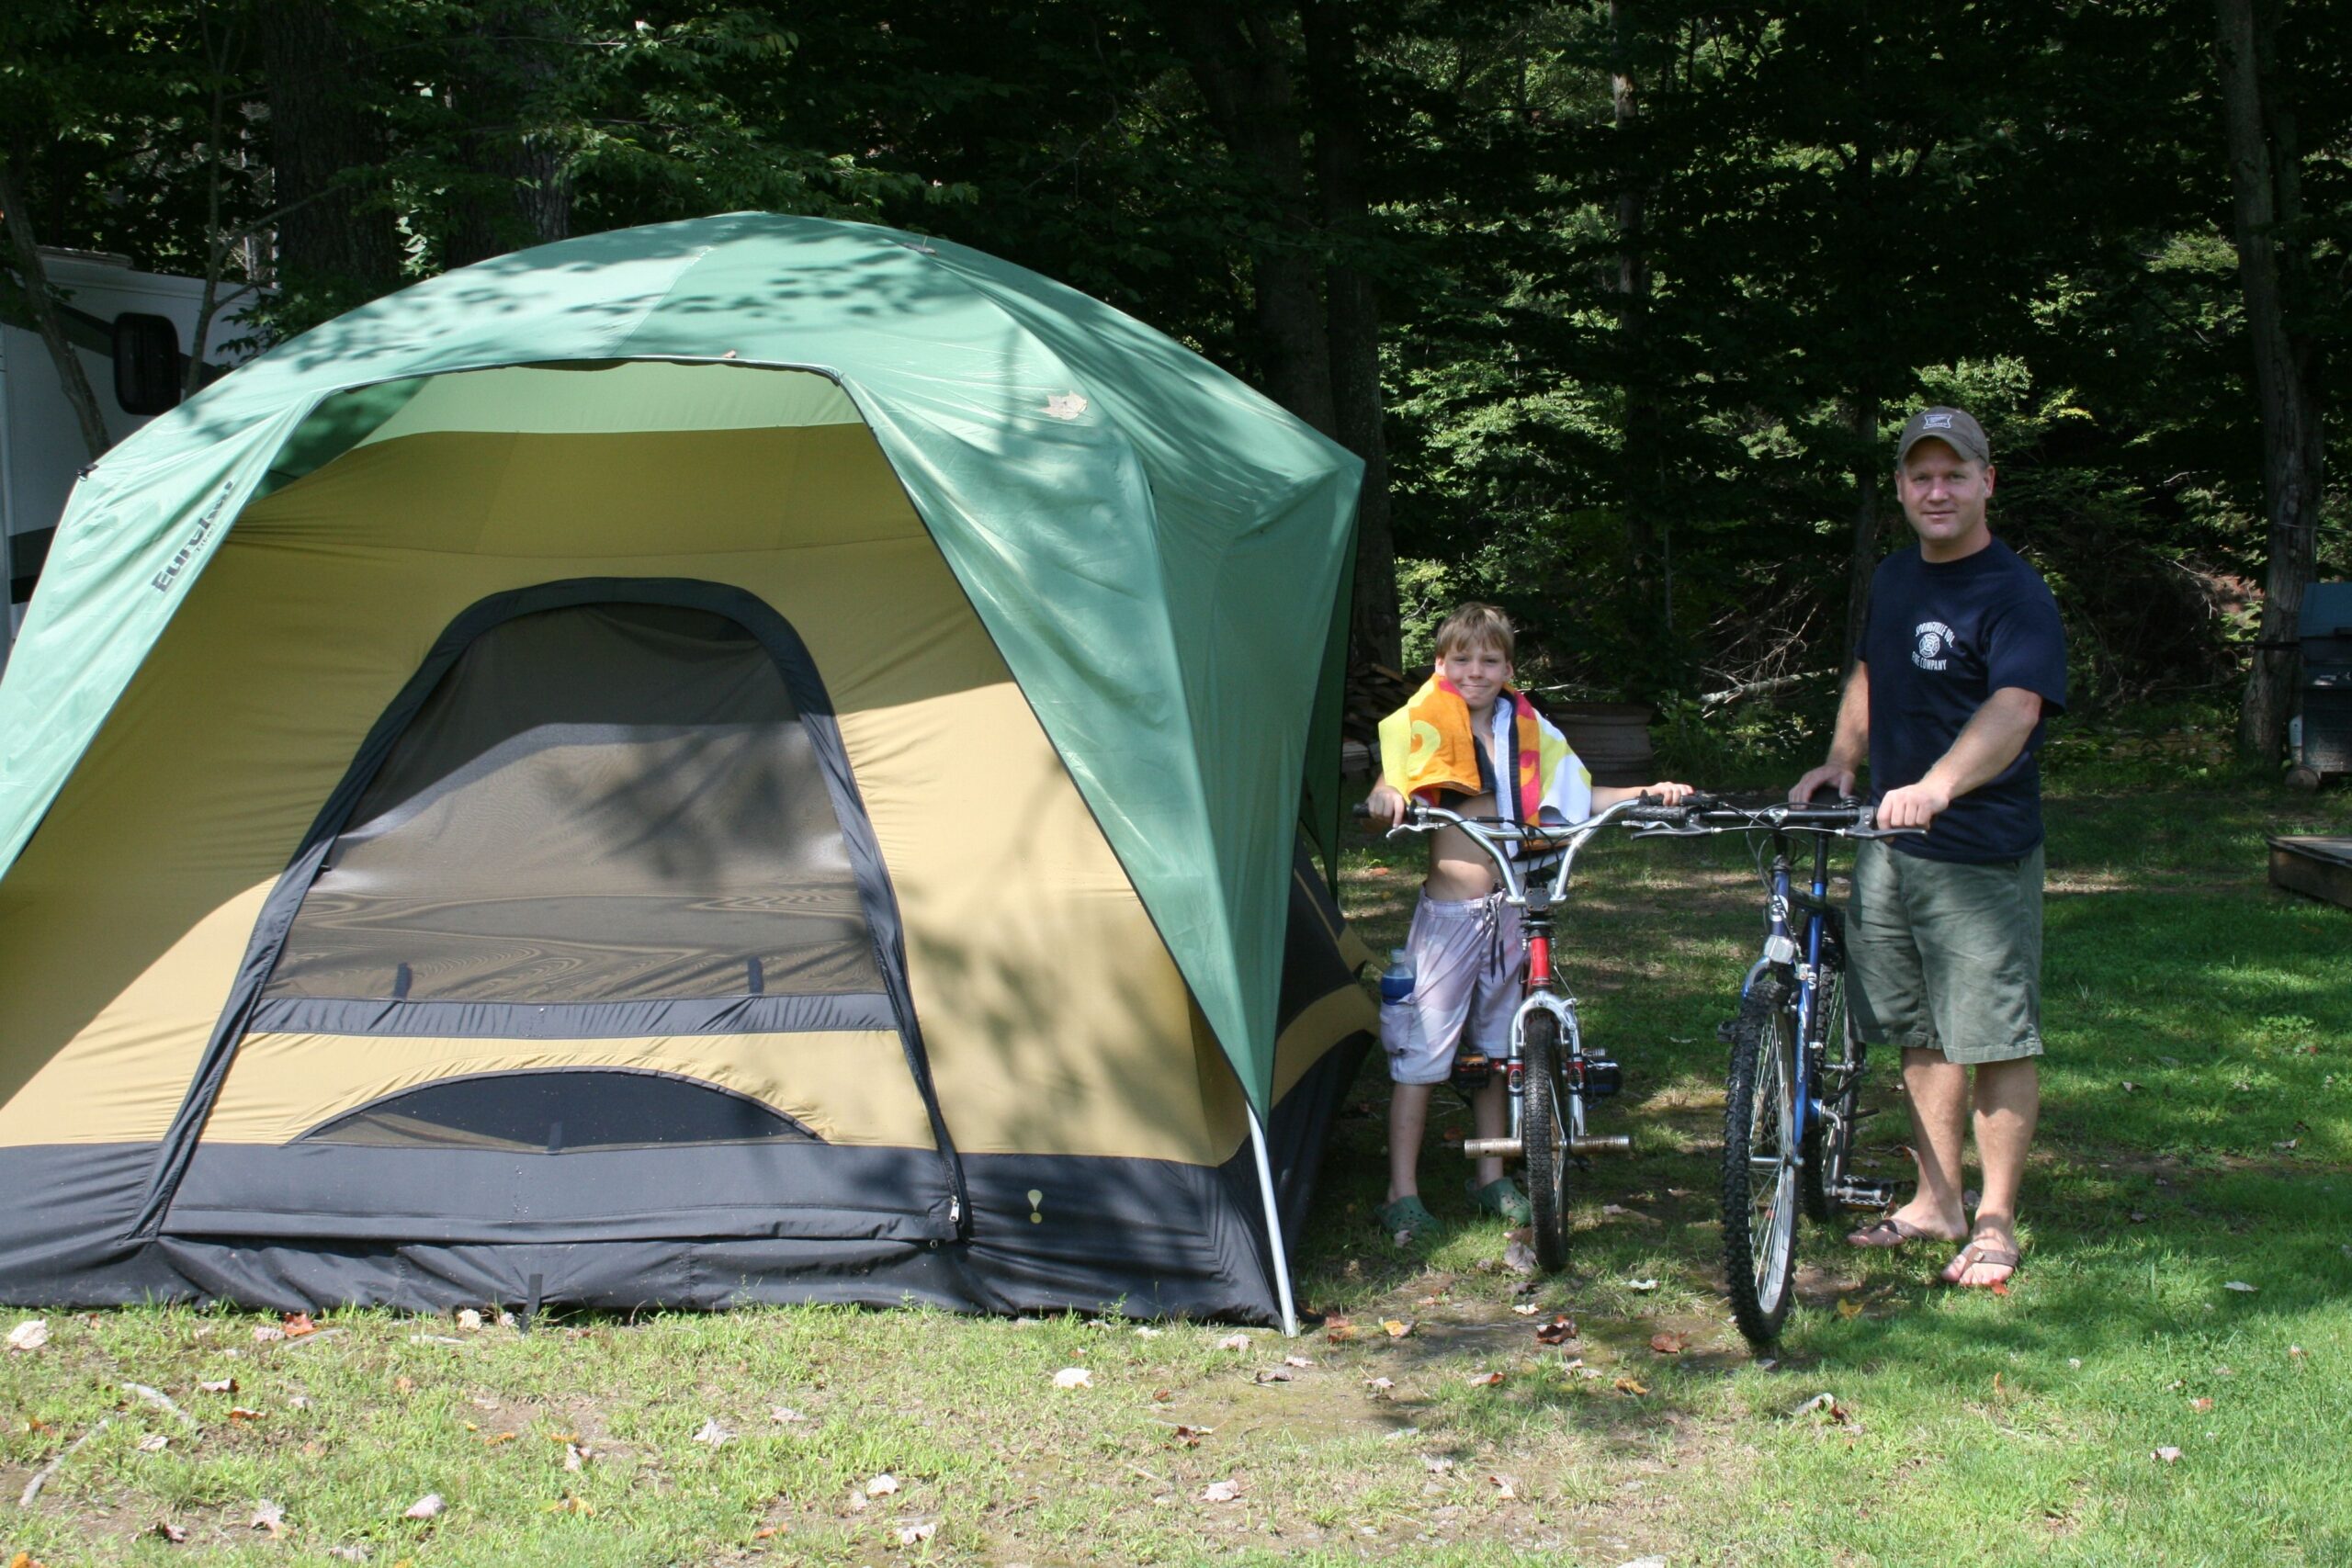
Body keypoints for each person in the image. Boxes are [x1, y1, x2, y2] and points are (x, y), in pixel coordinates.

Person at [1791, 406, 2066, 1289]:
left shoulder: (2015, 592)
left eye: (1955, 474)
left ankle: (1994, 1221)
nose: (1936, 490)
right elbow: (1872, 673)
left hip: (1978, 853)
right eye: (1921, 476)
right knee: (1915, 1030)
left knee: (1992, 1034)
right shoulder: (1895, 579)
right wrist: (1844, 758)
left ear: (1988, 482)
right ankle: (1935, 1199)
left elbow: (2015, 709)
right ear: (1904, 488)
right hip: (1889, 843)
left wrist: (1940, 785)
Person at [1364, 603, 1691, 1239]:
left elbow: (1576, 795)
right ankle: (1399, 1189)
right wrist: (1385, 797)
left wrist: (1644, 793)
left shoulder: (1530, 729)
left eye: (1489, 660)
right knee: (1421, 1051)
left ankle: (1491, 1176)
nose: (1475, 671)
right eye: (1461, 659)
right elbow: (1391, 786)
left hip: (1513, 908)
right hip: (1451, 916)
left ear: (1509, 668)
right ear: (1441, 663)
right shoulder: (1420, 725)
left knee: (1496, 1049)